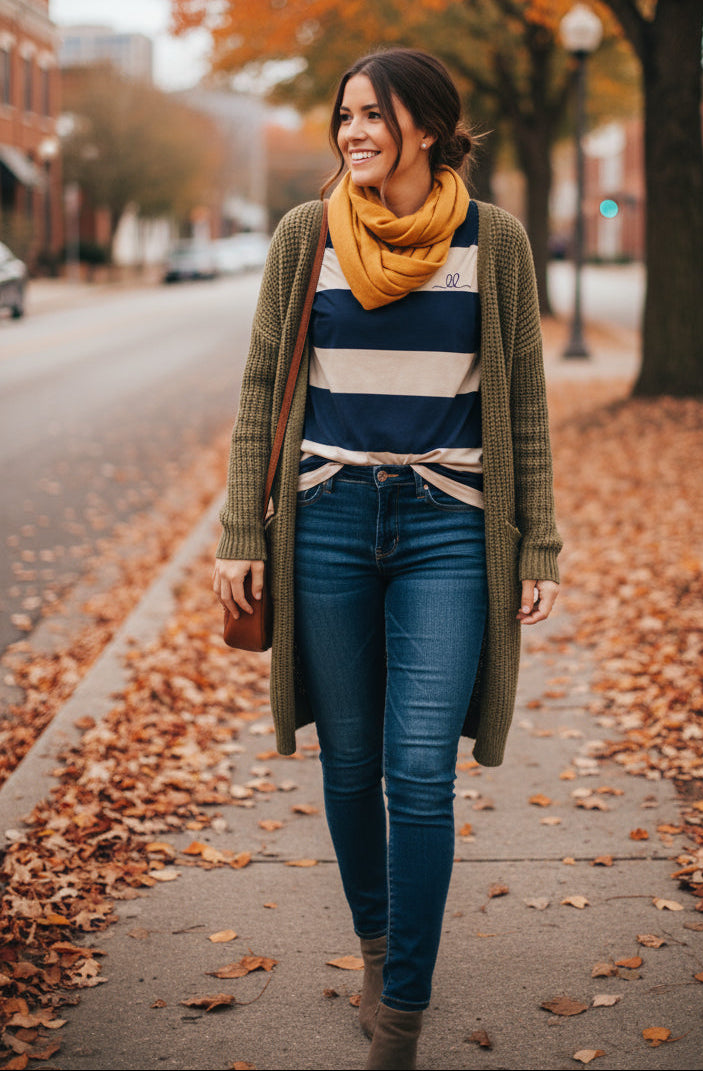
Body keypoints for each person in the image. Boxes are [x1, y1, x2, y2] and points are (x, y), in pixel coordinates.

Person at [213, 47, 561, 1071]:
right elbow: (260, 390)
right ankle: (377, 947)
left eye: (374, 116)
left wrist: (537, 537)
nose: (355, 133)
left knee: (419, 771)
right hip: (324, 519)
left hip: (450, 525)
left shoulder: (491, 243)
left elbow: (526, 404)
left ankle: (400, 1015)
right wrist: (243, 529)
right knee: (351, 760)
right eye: (346, 116)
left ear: (428, 128)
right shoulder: (304, 236)